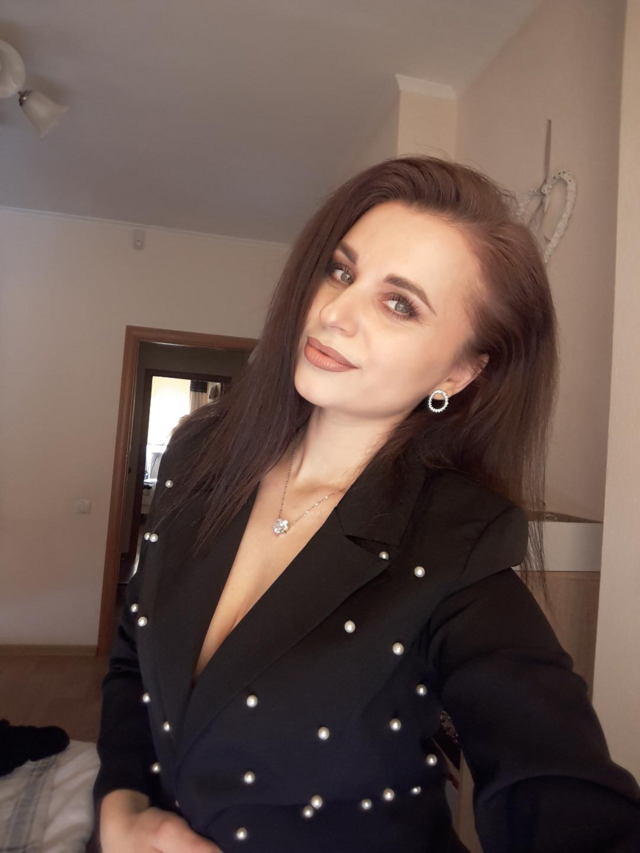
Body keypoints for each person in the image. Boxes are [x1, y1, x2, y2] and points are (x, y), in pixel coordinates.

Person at [93, 155, 640, 853]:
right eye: (342, 271)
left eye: (400, 303)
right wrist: (122, 804)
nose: (334, 312)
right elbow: (134, 658)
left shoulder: (455, 543)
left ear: (459, 371)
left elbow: (558, 786)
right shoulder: (201, 453)